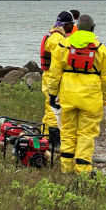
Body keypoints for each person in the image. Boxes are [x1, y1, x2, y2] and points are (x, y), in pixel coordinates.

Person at [47, 14, 106, 174]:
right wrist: (103, 96)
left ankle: (66, 168)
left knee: (68, 132)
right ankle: (83, 170)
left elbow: (55, 73)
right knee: (86, 134)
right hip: (91, 98)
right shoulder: (100, 48)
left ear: (77, 27)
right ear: (92, 28)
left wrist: (52, 94)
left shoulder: (63, 45)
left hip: (68, 96)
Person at [40, 11, 75, 150]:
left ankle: (46, 135)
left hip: (49, 75)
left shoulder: (55, 36)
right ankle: (54, 142)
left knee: (50, 108)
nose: (73, 27)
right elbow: (58, 62)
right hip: (51, 76)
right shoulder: (56, 39)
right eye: (72, 24)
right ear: (66, 25)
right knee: (53, 109)